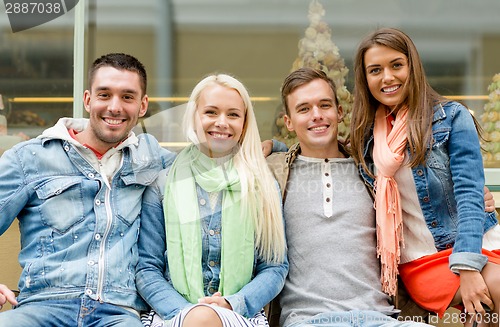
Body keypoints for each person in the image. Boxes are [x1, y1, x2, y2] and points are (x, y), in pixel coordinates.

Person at [0, 53, 176, 327]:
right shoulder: (29, 158)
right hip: (41, 309)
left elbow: (217, 166)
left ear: (142, 105)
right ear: (87, 99)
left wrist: (269, 147)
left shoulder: (152, 158)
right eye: (104, 95)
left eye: (127, 97)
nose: (115, 107)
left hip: (118, 314)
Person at [349, 27, 500, 326]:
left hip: (474, 242)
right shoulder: (364, 138)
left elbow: (470, 196)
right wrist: (273, 147)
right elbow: (321, 147)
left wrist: (468, 266)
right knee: (490, 296)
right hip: (422, 260)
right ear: (365, 79)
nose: (387, 77)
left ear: (412, 67)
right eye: (375, 70)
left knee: (488, 302)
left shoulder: (452, 118)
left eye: (396, 65)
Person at [265, 67, 434, 327]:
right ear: (288, 122)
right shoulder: (273, 173)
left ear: (339, 112)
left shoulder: (375, 168)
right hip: (309, 321)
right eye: (304, 109)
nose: (317, 116)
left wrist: (482, 202)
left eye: (324, 105)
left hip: (381, 318)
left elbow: (433, 195)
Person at [136, 73, 288, 327]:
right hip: (172, 314)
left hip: (242, 314)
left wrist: (232, 304)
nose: (222, 122)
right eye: (211, 112)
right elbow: (146, 268)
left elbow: (274, 267)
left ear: (245, 123)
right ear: (194, 117)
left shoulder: (261, 185)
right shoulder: (163, 184)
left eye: (233, 114)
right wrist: (191, 314)